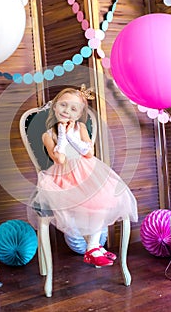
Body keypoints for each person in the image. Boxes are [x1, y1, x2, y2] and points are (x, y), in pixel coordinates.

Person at [28, 86, 138, 267]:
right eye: (63, 105)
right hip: (64, 177)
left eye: (73, 109)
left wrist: (72, 137)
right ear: (55, 107)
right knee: (83, 200)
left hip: (88, 171)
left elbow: (88, 153)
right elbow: (60, 159)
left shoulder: (80, 128)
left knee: (106, 196)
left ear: (78, 115)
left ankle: (93, 246)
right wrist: (62, 137)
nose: (66, 111)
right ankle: (93, 247)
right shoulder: (48, 135)